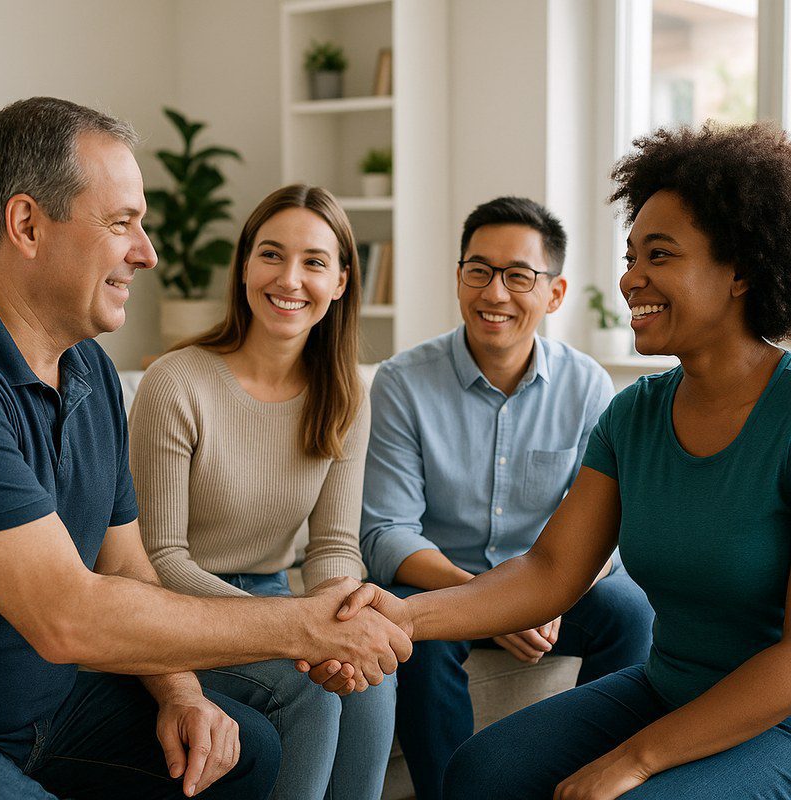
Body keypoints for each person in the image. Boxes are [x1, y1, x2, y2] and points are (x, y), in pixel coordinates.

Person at [329, 122, 791, 799]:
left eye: (659, 256)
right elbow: (550, 571)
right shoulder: (634, 414)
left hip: (772, 720)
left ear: (742, 270)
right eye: (631, 256)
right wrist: (398, 617)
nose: (632, 279)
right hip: (668, 689)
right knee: (481, 774)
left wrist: (633, 760)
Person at [0, 97, 410, 800]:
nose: (147, 253)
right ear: (28, 225)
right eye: (122, 223)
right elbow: (68, 616)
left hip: (56, 714)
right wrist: (306, 625)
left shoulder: (89, 368)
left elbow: (127, 564)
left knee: (253, 756)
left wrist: (181, 695)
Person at [356, 196, 654, 799]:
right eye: (479, 271)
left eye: (519, 275)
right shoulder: (402, 381)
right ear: (459, 277)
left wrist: (543, 593)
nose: (494, 293)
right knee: (413, 638)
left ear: (555, 292)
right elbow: (386, 531)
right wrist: (494, 599)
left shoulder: (588, 384)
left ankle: (594, 780)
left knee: (630, 610)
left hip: (554, 595)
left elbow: (608, 532)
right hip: (445, 584)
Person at [129, 184, 395, 800]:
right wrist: (294, 626)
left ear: (342, 282)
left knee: (370, 673)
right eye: (271, 255)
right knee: (308, 686)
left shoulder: (347, 394)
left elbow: (332, 546)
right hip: (178, 612)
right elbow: (160, 558)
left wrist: (339, 619)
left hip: (280, 599)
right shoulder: (177, 384)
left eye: (314, 262)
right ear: (245, 265)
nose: (290, 278)